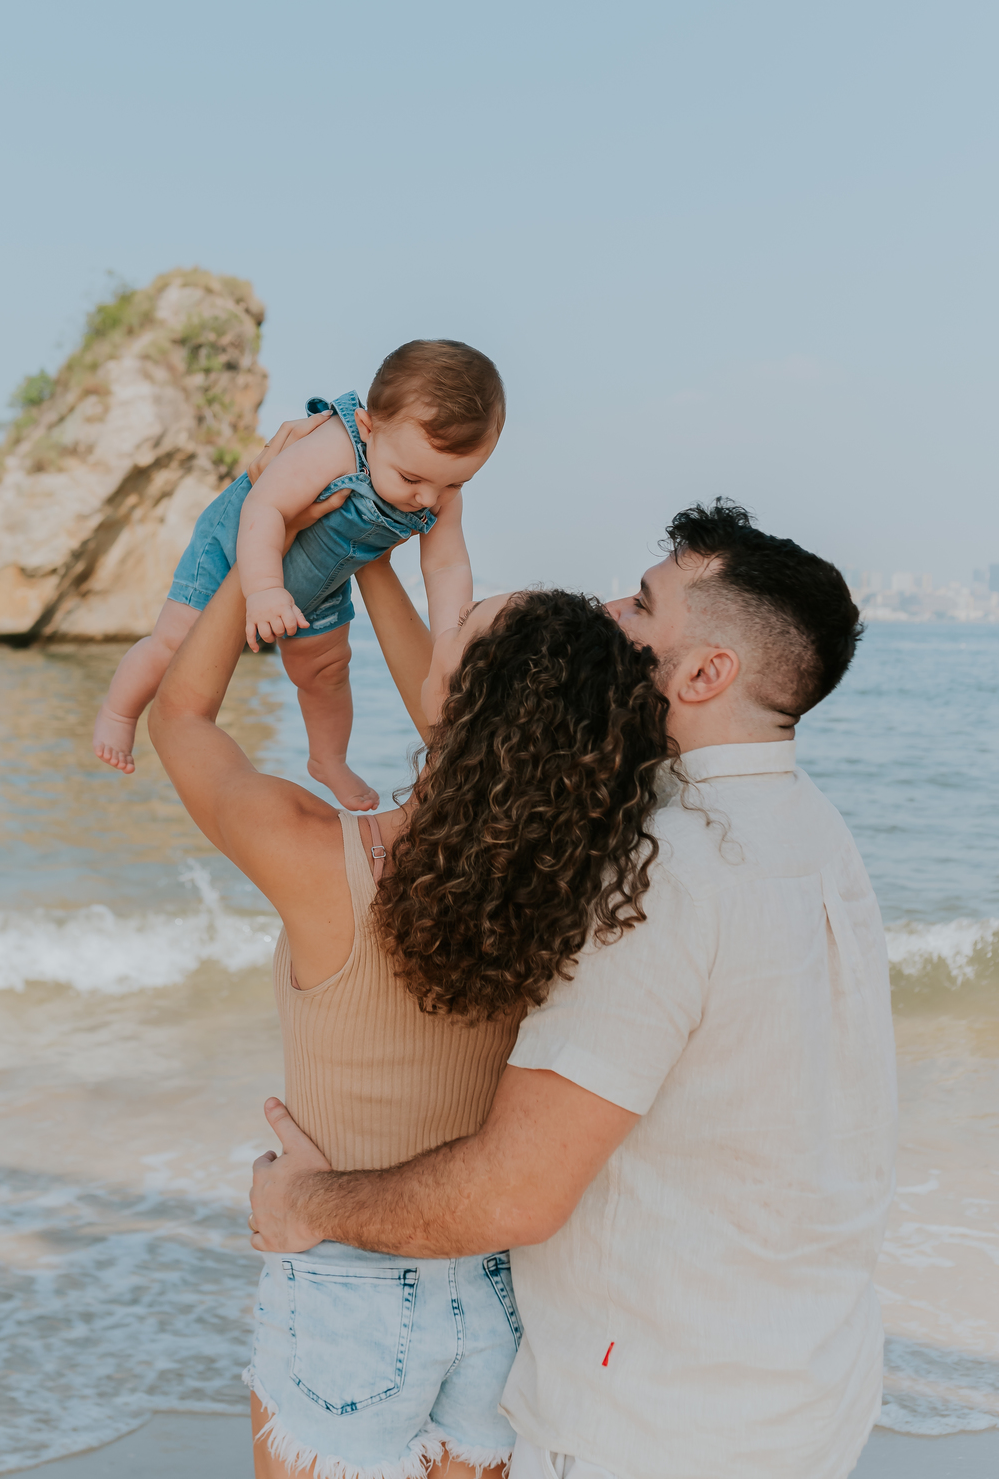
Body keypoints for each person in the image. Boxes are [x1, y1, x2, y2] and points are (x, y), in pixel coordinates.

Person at [249, 500, 899, 1479]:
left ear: (705, 673)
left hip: (656, 1431)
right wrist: (371, 555)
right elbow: (481, 731)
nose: (607, 612)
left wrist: (310, 1205)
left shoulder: (667, 875)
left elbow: (514, 1193)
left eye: (640, 605)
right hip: (805, 1391)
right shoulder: (808, 829)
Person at [146, 482, 668, 1479]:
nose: (443, 627)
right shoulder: (573, 882)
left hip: (344, 1290)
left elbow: (178, 714)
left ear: (454, 700)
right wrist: (374, 560)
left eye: (459, 626)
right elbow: (478, 735)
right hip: (499, 1296)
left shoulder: (320, 857)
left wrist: (268, 544)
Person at [94, 338, 504, 810]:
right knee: (174, 645)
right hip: (239, 550)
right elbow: (265, 506)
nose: (429, 500)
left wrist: (451, 639)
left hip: (323, 579)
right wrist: (264, 589)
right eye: (411, 479)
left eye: (455, 483)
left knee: (327, 672)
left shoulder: (432, 482)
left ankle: (327, 759)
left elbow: (446, 564)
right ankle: (118, 713)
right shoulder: (333, 446)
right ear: (368, 429)